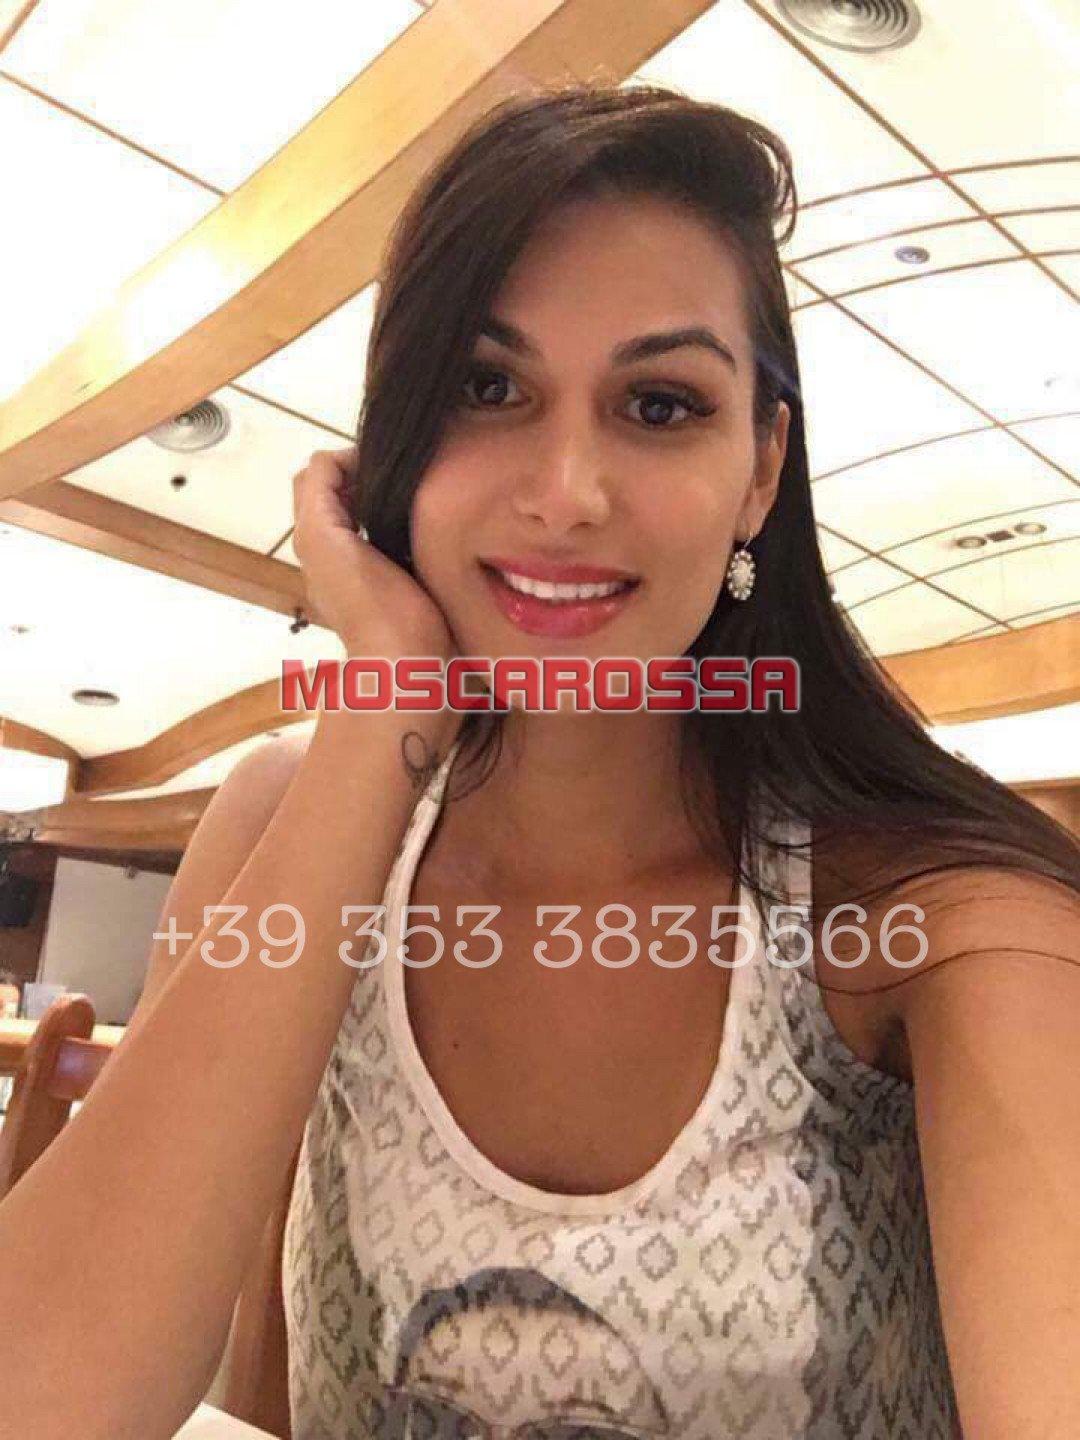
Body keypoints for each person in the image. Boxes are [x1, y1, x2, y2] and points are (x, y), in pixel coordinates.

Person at [0, 85, 1077, 1440]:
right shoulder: (290, 818)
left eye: (660, 404)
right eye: (487, 387)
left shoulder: (938, 912)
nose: (567, 492)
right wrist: (387, 705)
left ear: (760, 472)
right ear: (394, 439)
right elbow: (45, 1402)